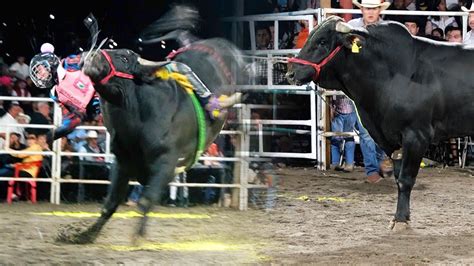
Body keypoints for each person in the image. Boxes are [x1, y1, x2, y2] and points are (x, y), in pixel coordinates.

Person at [348, 0, 393, 183]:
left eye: (374, 8)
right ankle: (371, 171)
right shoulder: (352, 28)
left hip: (383, 86)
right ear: (362, 9)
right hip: (361, 86)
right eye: (368, 8)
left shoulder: (387, 29)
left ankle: (384, 159)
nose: (371, 12)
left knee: (385, 127)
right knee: (366, 129)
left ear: (379, 10)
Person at [29, 43, 101, 141]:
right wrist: (59, 131)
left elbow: (95, 61)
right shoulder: (54, 93)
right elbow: (70, 116)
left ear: (49, 63)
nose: (39, 76)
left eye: (39, 70)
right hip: (100, 111)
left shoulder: (69, 63)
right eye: (37, 73)